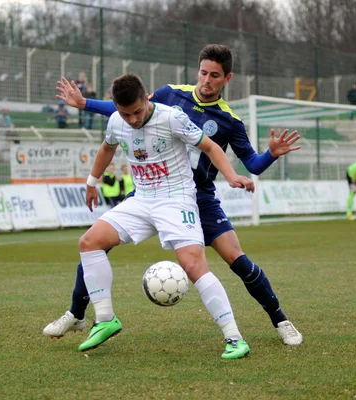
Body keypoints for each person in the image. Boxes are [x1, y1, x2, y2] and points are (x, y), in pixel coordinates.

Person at [45, 44, 303, 347]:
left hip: (199, 198)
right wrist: (86, 103)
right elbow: (129, 110)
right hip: (151, 190)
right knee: (95, 242)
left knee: (237, 259)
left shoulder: (230, 121)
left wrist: (270, 155)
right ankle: (78, 313)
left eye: (215, 76)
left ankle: (281, 321)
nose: (207, 80)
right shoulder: (170, 94)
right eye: (204, 72)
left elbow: (253, 165)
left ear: (227, 78)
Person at [74, 73, 255, 359]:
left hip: (176, 199)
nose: (132, 120)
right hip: (142, 199)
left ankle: (234, 338)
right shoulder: (116, 121)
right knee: (89, 242)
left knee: (193, 265)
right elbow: (106, 148)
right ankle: (106, 319)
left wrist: (231, 176)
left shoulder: (171, 117)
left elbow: (210, 146)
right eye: (125, 114)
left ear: (147, 99)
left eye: (136, 111)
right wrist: (91, 182)